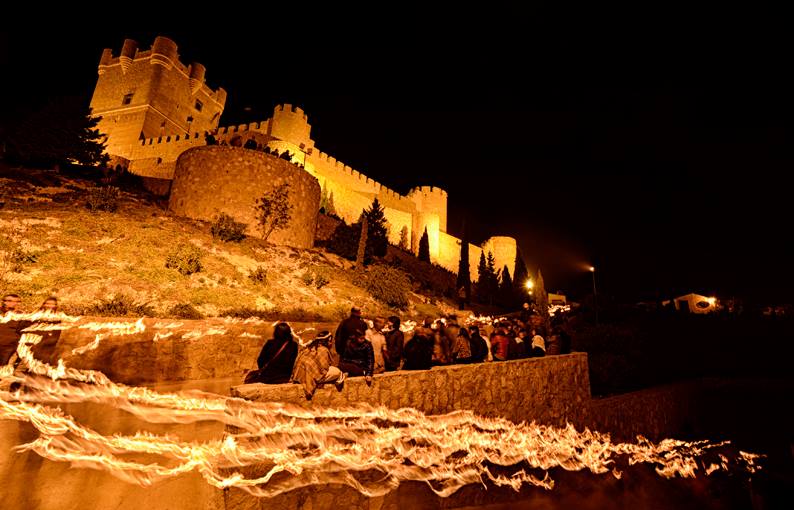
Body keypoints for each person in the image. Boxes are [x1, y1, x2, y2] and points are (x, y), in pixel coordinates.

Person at [290, 331, 346, 399]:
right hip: (310, 375)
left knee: (336, 372)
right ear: (328, 341)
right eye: (331, 341)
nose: (331, 343)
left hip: (299, 375)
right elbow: (323, 369)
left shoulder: (309, 347)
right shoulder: (324, 349)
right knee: (338, 372)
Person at [30, 297, 62, 365]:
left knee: (46, 355)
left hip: (50, 338)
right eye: (47, 304)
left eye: (52, 304)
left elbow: (57, 329)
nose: (49, 306)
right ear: (44, 304)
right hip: (37, 337)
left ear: (56, 306)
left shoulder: (57, 315)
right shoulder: (37, 314)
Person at [1, 294, 26, 365]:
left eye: (17, 301)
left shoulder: (22, 316)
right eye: (9, 301)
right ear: (3, 302)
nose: (13, 303)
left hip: (10, 347)